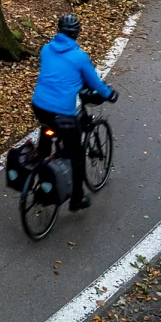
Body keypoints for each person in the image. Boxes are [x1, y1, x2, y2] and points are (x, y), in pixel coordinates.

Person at [30, 13, 115, 211]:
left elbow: (57, 74)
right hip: (61, 112)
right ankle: (76, 198)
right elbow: (95, 83)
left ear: (58, 30)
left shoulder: (45, 50)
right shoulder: (79, 57)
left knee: (48, 131)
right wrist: (110, 94)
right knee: (76, 153)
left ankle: (39, 170)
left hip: (39, 106)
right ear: (77, 33)